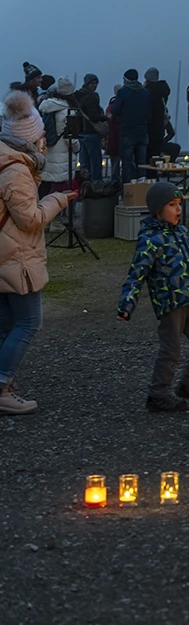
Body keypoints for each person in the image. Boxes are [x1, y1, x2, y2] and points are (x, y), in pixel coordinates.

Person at [0, 91, 73, 414]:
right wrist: (59, 200)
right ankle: (1, 387)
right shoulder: (15, 170)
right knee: (29, 322)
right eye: (42, 136)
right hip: (16, 256)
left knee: (6, 323)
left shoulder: (10, 161)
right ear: (31, 139)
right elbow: (30, 219)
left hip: (7, 254)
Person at [116, 181, 189, 412]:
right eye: (172, 205)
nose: (178, 209)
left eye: (179, 204)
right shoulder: (150, 240)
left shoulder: (183, 233)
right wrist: (126, 304)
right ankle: (158, 394)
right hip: (171, 305)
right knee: (171, 351)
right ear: (157, 210)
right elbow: (136, 274)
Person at [38, 77, 80, 196]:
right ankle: (51, 213)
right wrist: (77, 148)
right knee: (58, 188)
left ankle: (44, 211)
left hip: (48, 150)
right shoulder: (68, 112)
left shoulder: (46, 107)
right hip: (63, 153)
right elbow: (70, 138)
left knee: (48, 186)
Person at [112, 69, 151, 183]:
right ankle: (142, 187)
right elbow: (149, 113)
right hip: (142, 131)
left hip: (127, 131)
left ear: (126, 80)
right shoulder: (145, 92)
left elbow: (115, 110)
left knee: (127, 163)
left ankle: (127, 189)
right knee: (142, 162)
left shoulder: (123, 92)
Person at [74, 74, 107, 181]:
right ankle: (96, 185)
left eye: (96, 83)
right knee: (96, 162)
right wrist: (106, 117)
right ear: (87, 83)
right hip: (92, 132)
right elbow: (93, 116)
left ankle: (85, 185)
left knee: (84, 162)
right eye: (93, 83)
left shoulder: (78, 96)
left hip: (81, 133)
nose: (95, 85)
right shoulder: (90, 97)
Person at [144, 68, 171, 178]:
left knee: (147, 157)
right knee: (155, 156)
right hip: (159, 128)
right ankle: (154, 177)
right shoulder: (162, 91)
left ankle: (149, 179)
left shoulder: (149, 92)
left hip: (150, 127)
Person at [106, 85, 122, 184]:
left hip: (113, 139)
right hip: (119, 138)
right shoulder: (125, 106)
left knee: (115, 165)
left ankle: (115, 185)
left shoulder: (110, 107)